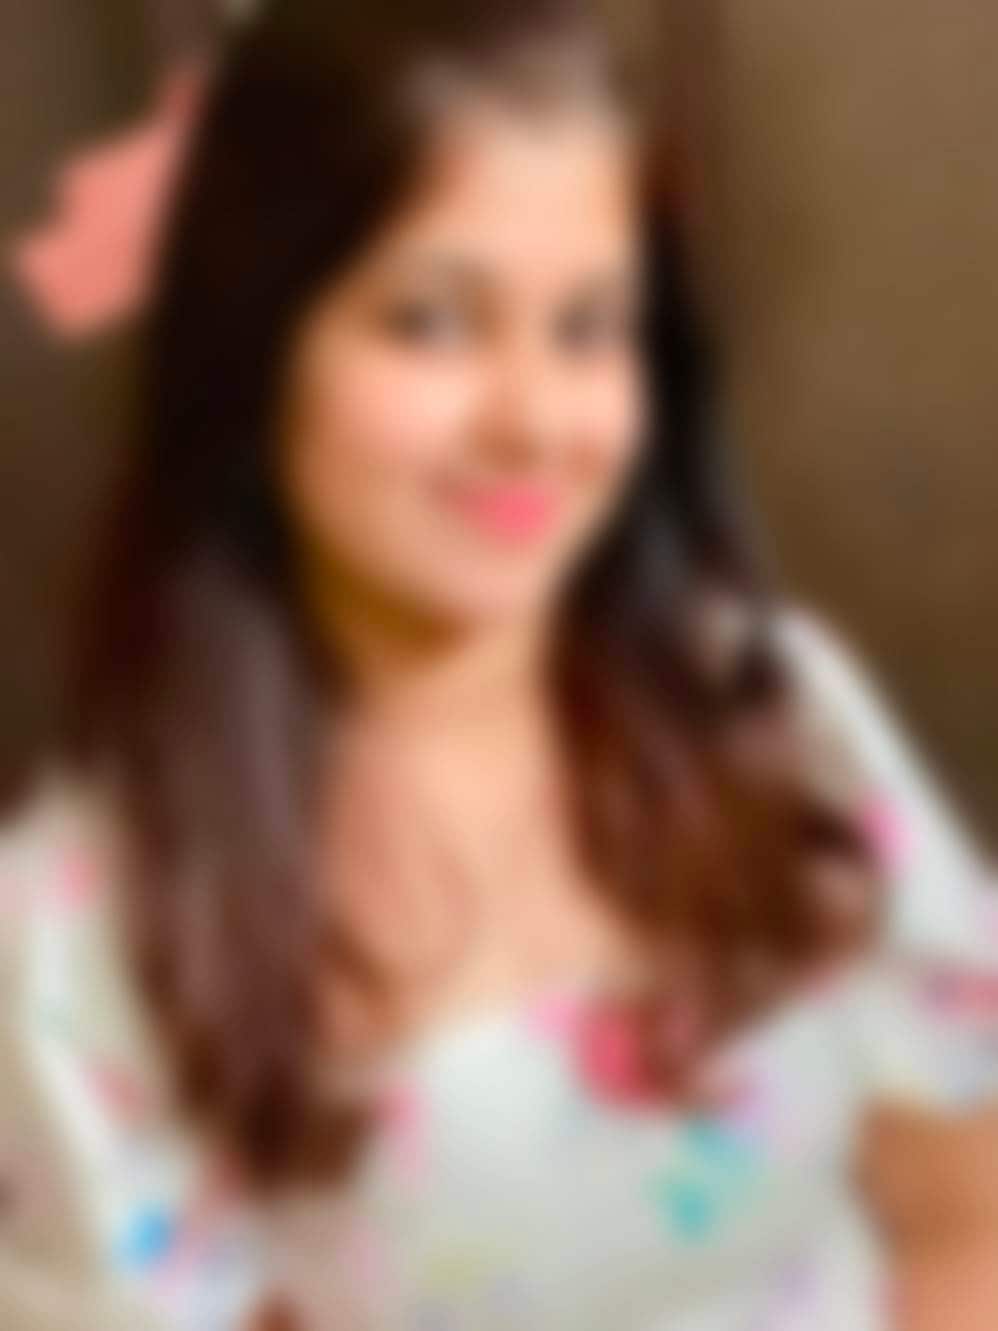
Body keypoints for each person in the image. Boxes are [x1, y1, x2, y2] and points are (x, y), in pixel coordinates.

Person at [1, 2, 996, 1327]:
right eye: (432, 322)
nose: (533, 421)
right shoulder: (84, 926)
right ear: (255, 349)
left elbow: (967, 1211)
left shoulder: (772, 710)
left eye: (587, 328)